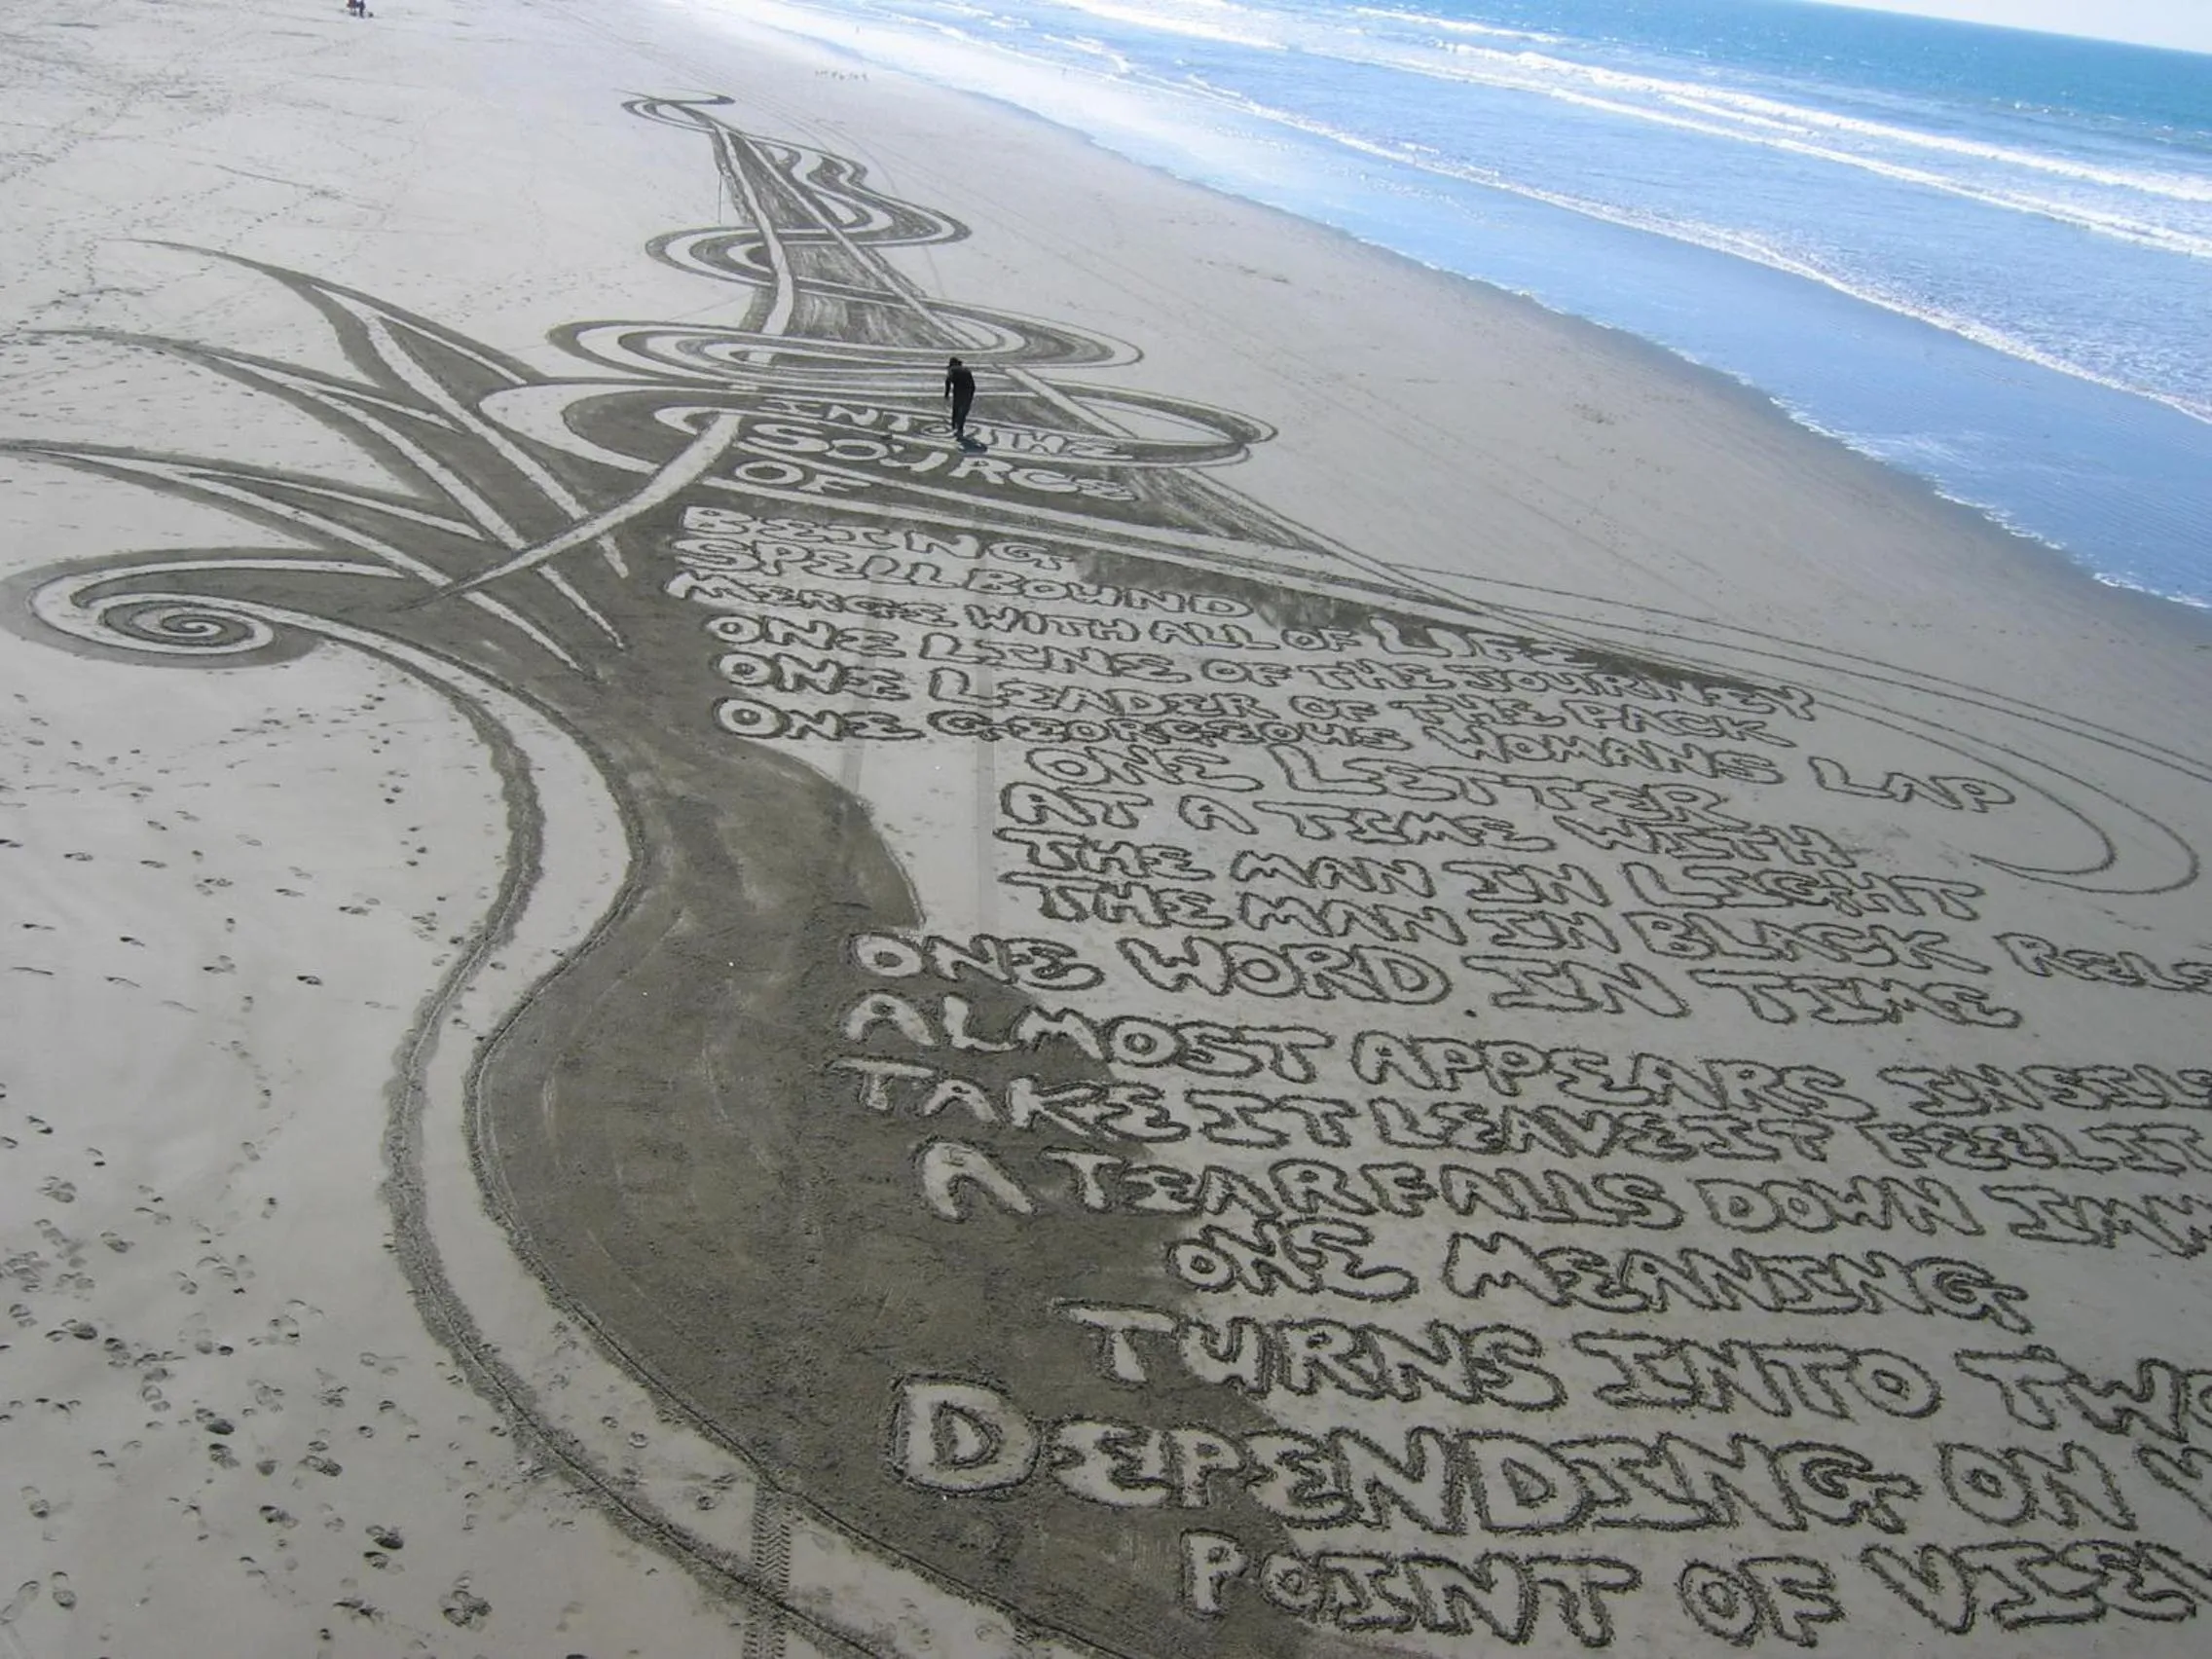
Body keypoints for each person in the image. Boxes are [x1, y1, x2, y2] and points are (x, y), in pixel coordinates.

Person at [943, 355, 976, 439]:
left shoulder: (952, 370)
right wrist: (971, 394)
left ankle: (954, 426)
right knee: (964, 409)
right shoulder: (967, 370)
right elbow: (972, 383)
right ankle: (960, 426)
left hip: (959, 391)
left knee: (956, 408)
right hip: (969, 391)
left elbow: (948, 381)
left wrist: (946, 394)